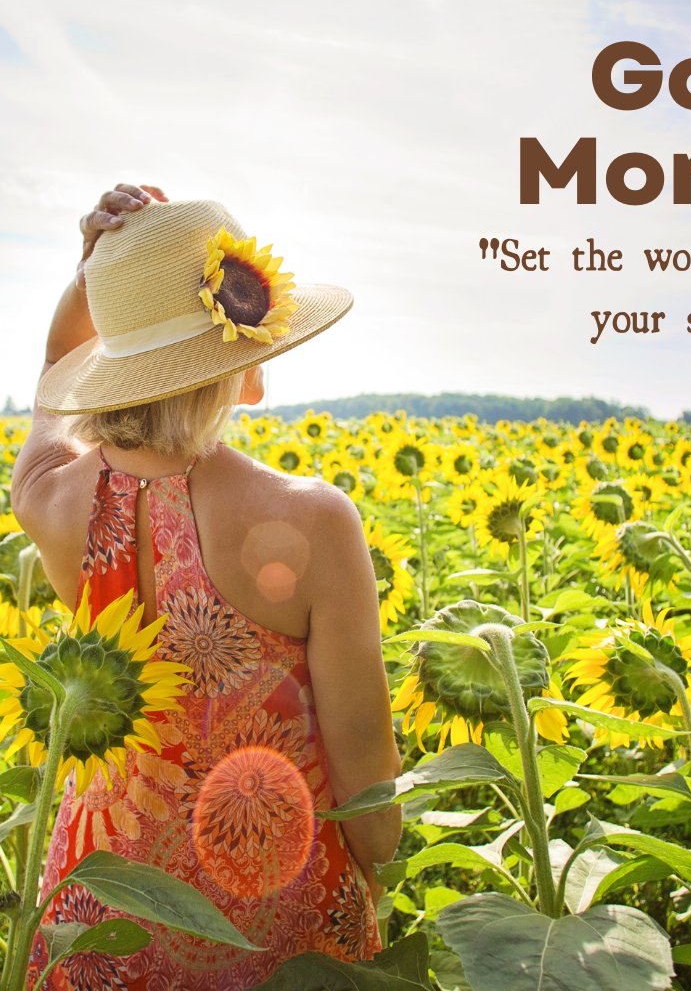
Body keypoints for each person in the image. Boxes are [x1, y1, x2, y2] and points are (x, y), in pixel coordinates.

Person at [10, 184, 402, 989]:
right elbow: (363, 757)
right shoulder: (315, 520)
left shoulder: (52, 500)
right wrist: (377, 881)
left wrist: (93, 280)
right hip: (277, 915)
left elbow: (53, 381)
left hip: (101, 919)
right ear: (244, 367)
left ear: (109, 364)